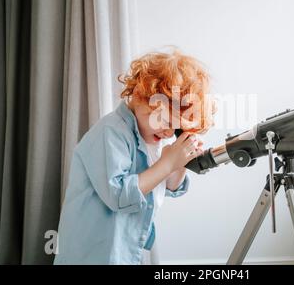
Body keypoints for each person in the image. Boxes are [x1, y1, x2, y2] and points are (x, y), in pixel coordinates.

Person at [54, 49, 215, 264]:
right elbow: (119, 195)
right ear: (141, 97)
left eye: (176, 128)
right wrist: (166, 164)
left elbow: (169, 186)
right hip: (91, 253)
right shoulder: (111, 131)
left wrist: (180, 161)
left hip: (125, 250)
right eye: (166, 122)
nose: (168, 134)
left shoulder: (151, 136)